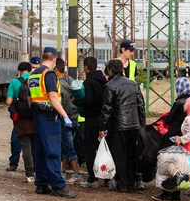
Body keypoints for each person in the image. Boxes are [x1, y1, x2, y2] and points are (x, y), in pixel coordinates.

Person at [28, 47, 76, 198]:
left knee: (41, 151)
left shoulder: (33, 75)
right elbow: (53, 97)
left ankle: (41, 184)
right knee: (53, 150)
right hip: (50, 117)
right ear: (54, 60)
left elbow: (29, 98)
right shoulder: (49, 74)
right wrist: (64, 115)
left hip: (38, 116)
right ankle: (58, 185)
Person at [99, 59, 146, 192]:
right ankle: (131, 183)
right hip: (134, 124)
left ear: (110, 70)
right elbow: (140, 104)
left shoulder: (110, 86)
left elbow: (106, 109)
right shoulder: (133, 84)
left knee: (119, 156)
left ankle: (122, 184)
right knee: (131, 155)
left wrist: (102, 127)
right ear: (123, 70)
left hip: (118, 125)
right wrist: (142, 121)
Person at [152, 77, 190, 201]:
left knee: (167, 163)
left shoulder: (179, 103)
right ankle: (176, 195)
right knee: (180, 165)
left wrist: (163, 118)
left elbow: (169, 119)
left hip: (172, 137)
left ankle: (165, 194)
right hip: (185, 139)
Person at [73, 56, 108, 188]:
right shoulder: (104, 81)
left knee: (90, 148)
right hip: (103, 118)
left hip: (91, 119)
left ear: (86, 67)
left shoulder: (88, 82)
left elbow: (87, 100)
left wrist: (75, 101)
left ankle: (92, 177)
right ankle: (104, 175)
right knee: (102, 147)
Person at [7, 56, 41, 171]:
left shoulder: (14, 82)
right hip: (34, 115)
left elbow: (8, 102)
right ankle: (37, 168)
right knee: (34, 144)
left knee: (20, 141)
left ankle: (16, 164)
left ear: (19, 71)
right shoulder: (36, 80)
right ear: (30, 70)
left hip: (20, 117)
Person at [55, 58, 82, 184]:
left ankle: (77, 174)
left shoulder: (57, 84)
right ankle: (63, 171)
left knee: (69, 147)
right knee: (67, 146)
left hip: (65, 119)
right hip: (75, 118)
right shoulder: (70, 80)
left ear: (56, 69)